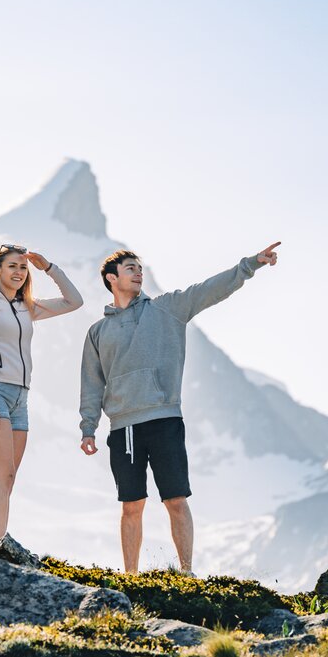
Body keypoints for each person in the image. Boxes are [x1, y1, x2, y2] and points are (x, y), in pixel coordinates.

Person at [78, 242, 281, 573]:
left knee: (175, 499)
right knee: (131, 505)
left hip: (164, 419)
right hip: (123, 427)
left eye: (140, 268)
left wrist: (249, 265)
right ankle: (131, 576)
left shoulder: (166, 308)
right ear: (112, 278)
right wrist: (88, 427)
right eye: (131, 268)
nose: (139, 272)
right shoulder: (99, 331)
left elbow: (208, 290)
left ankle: (186, 571)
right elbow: (91, 382)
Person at [0, 244, 83, 543]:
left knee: (10, 477)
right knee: (2, 474)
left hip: (21, 398)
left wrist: (49, 268)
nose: (18, 272)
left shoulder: (25, 306)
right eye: (12, 266)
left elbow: (74, 301)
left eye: (23, 267)